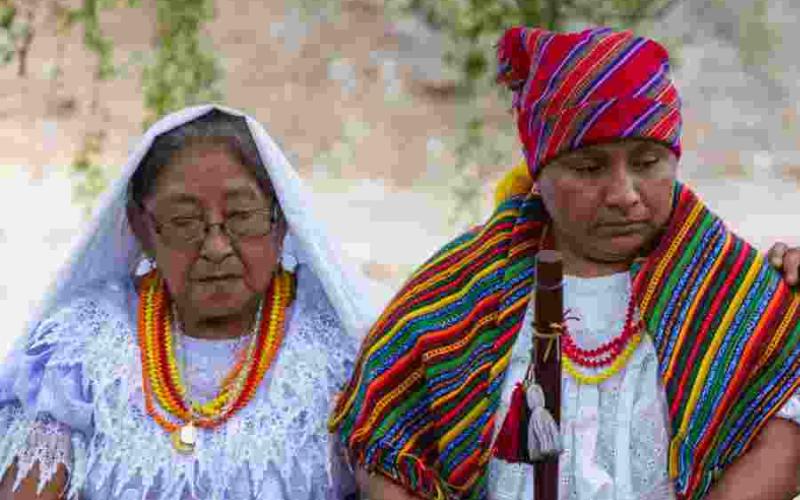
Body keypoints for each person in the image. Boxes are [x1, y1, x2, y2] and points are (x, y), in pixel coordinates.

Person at [330, 26, 800, 499]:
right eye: (589, 167)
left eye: (647, 162)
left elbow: (783, 430)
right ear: (540, 172)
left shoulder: (732, 286)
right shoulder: (463, 287)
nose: (624, 194)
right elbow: (381, 435)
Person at [0, 105, 375, 499]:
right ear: (142, 229)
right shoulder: (85, 344)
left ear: (280, 221)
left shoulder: (337, 352)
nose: (215, 247)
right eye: (183, 221)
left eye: (242, 216)